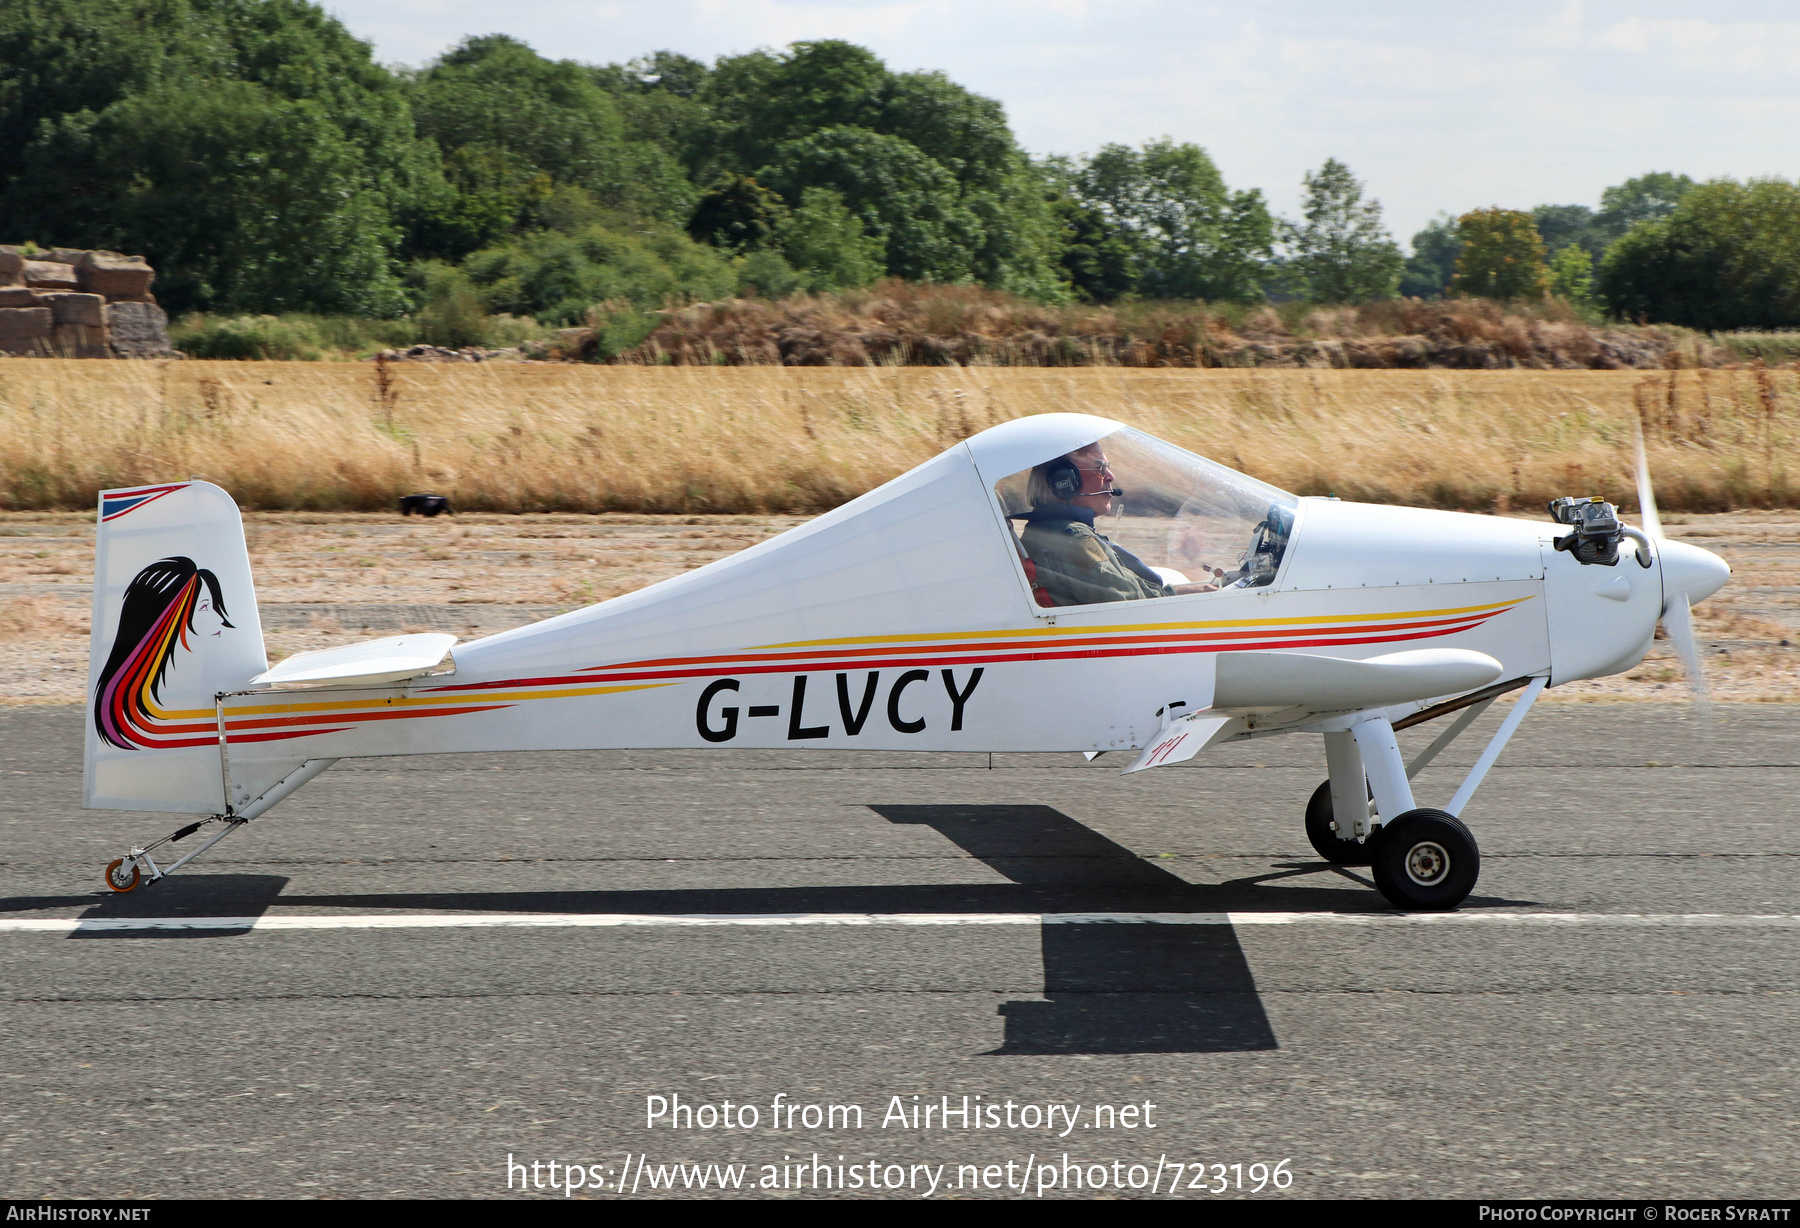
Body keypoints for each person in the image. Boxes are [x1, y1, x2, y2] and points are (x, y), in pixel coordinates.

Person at [1019, 443, 1217, 607]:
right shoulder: (1074, 539)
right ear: (1065, 482)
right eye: (1099, 469)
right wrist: (1190, 595)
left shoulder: (1046, 529)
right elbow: (1129, 605)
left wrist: (1190, 590)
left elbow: (1131, 592)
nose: (1110, 476)